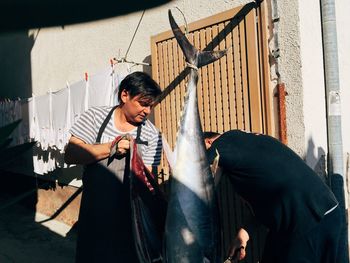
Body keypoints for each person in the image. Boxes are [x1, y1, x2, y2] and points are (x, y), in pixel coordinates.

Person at [64, 71, 163, 263]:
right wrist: (111, 148)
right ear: (124, 95)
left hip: (131, 218)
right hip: (95, 212)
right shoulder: (95, 117)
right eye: (143, 103)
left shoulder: (152, 135)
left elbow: (148, 180)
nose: (147, 111)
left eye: (151, 106)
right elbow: (70, 154)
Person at [204, 130, 345, 263]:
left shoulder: (225, 140)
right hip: (322, 213)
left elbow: (202, 168)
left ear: (209, 142)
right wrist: (244, 234)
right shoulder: (248, 145)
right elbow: (267, 202)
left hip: (307, 219)